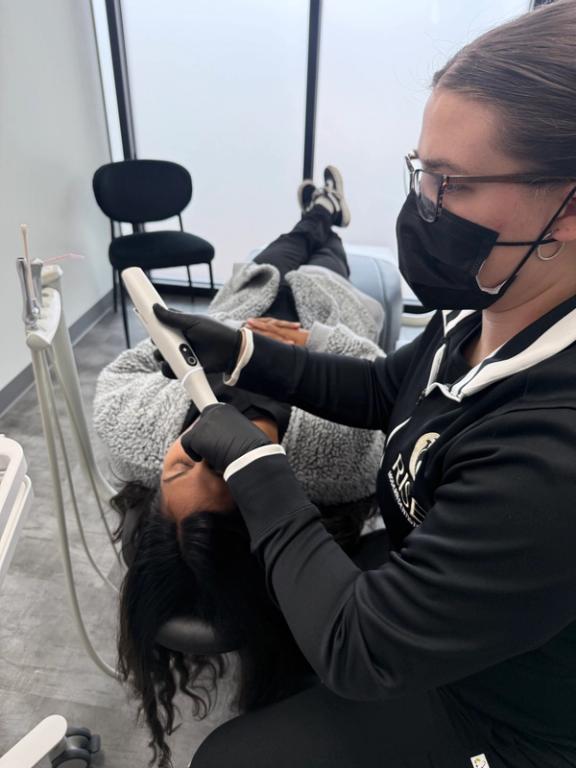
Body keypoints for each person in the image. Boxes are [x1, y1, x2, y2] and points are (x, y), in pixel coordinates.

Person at [152, 3, 576, 767]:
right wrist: (247, 354)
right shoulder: (491, 300)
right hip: (446, 618)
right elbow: (389, 387)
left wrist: (255, 468)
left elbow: (362, 649)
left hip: (505, 718)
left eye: (454, 184)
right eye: (422, 173)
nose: (424, 209)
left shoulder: (556, 445)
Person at [93, 168, 389, 768]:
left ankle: (313, 212)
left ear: (155, 488)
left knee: (279, 251)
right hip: (319, 304)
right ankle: (325, 216)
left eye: (182, 469)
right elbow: (384, 379)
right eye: (227, 472)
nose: (203, 447)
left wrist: (221, 341)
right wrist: (301, 343)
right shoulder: (341, 457)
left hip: (244, 297)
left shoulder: (144, 435)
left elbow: (123, 371)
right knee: (321, 261)